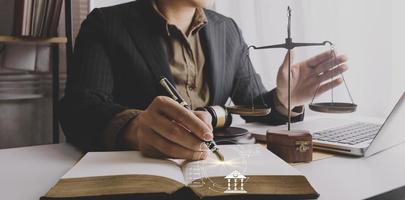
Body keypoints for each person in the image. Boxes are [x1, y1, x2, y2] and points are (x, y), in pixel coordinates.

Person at [59, 0, 348, 161]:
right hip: (142, 176)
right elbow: (79, 109)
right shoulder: (107, 23)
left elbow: (254, 106)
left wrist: (285, 99)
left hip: (215, 170)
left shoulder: (227, 30)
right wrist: (135, 128)